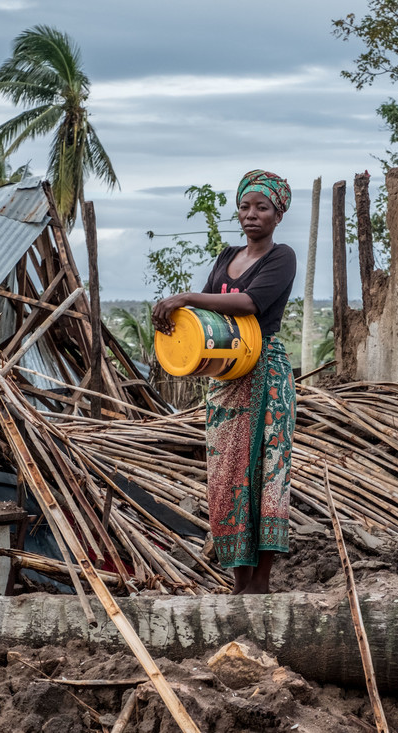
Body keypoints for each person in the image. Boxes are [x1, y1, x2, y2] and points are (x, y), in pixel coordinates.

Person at [153, 169, 297, 594]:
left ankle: (261, 582)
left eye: (262, 208)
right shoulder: (225, 257)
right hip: (225, 376)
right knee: (225, 474)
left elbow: (249, 303)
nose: (251, 215)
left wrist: (186, 297)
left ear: (278, 214)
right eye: (245, 207)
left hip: (266, 374)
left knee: (266, 474)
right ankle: (239, 581)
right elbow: (206, 321)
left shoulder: (281, 257)